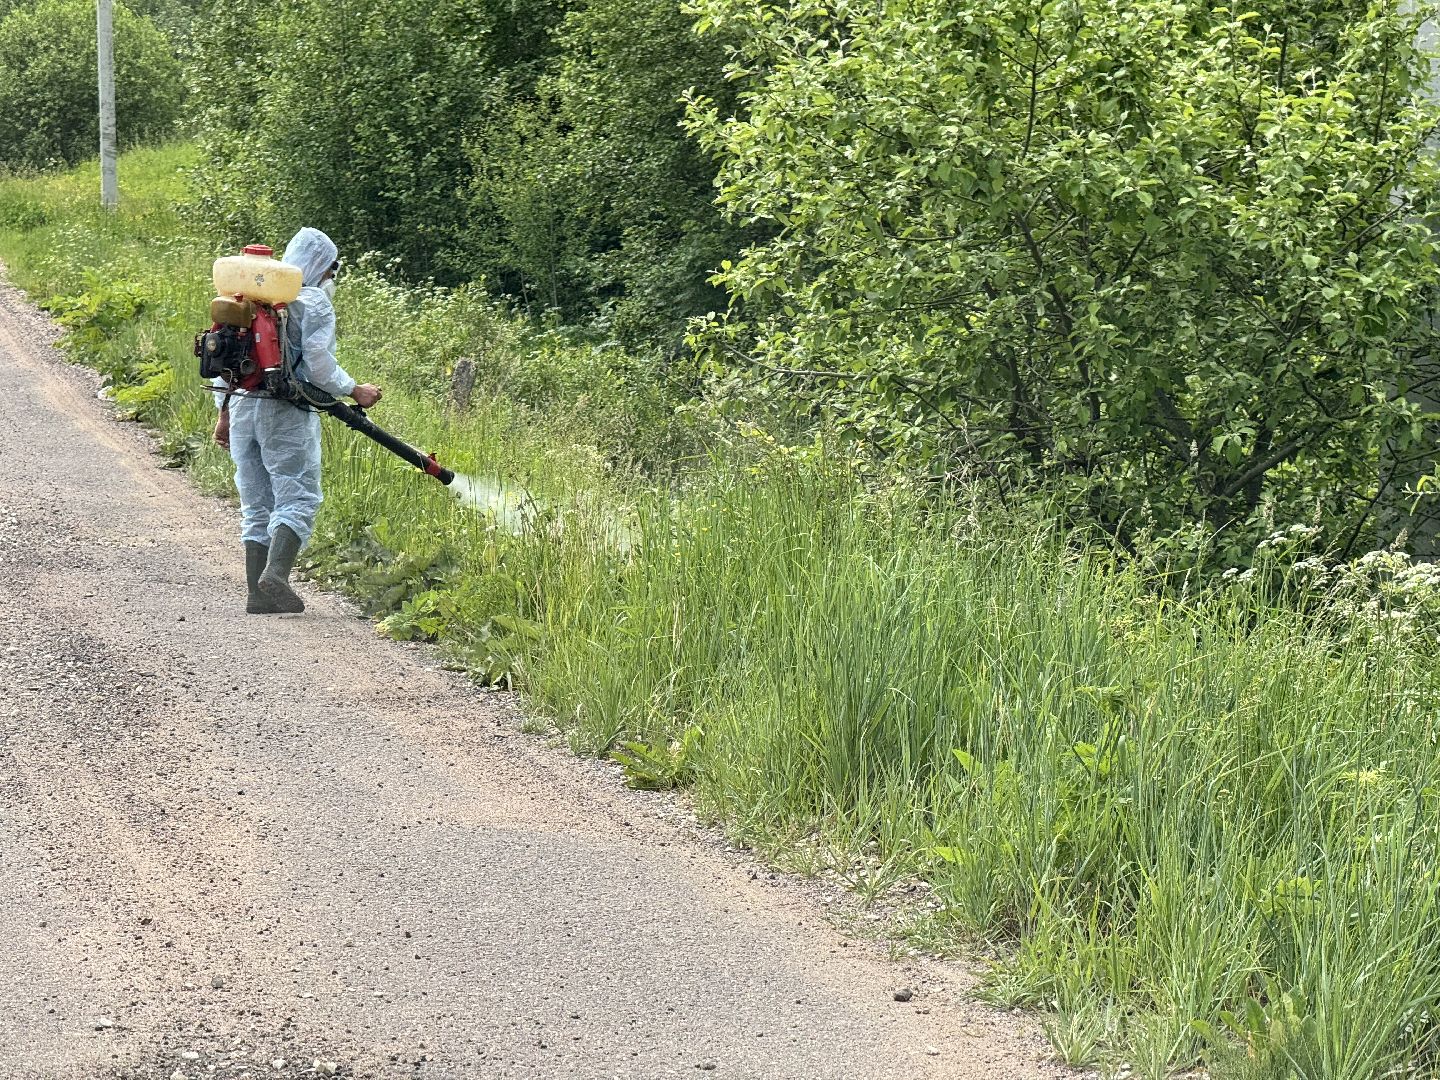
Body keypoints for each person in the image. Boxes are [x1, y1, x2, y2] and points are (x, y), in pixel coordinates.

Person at [213, 227, 381, 614]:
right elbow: (319, 365)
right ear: (323, 266)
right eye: (331, 271)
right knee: (297, 494)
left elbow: (222, 366)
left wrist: (222, 415)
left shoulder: (247, 298)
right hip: (284, 411)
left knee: (256, 503)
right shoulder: (313, 302)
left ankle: (257, 597)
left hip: (241, 406)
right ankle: (275, 575)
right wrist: (354, 389)